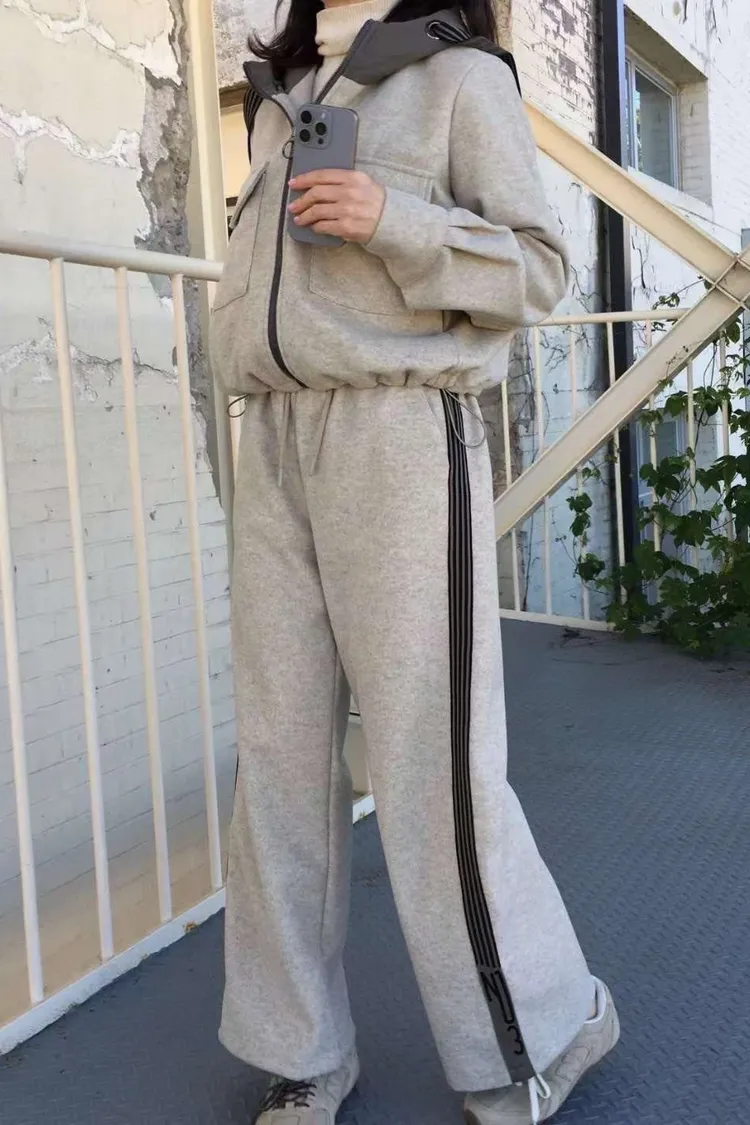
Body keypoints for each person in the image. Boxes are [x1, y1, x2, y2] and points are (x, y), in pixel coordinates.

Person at [210, 1, 620, 1123]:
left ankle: (541, 1034)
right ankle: (302, 1048)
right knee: (278, 760)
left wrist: (392, 217)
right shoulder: (282, 94)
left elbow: (539, 270)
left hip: (397, 426)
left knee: (430, 758)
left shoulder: (460, 78)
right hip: (275, 437)